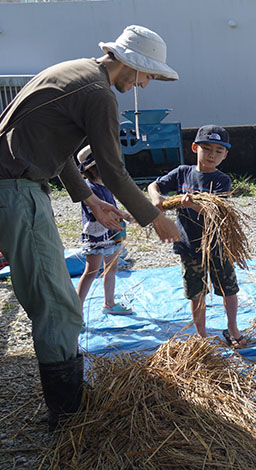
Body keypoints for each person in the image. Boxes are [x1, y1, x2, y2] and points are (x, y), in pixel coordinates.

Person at [0, 25, 181, 430]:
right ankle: (68, 418)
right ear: (129, 63)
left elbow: (57, 150)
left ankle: (66, 404)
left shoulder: (73, 72)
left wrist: (89, 199)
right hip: (17, 191)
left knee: (45, 296)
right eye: (147, 75)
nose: (145, 85)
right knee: (59, 305)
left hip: (12, 185)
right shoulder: (99, 94)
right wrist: (155, 218)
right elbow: (114, 170)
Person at [148, 125, 247, 349]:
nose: (212, 155)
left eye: (218, 151)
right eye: (206, 148)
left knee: (228, 288)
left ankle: (232, 328)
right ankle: (201, 336)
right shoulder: (183, 172)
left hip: (218, 245)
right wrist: (157, 198)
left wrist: (191, 204)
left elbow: (217, 213)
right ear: (195, 148)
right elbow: (154, 184)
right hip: (188, 246)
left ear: (225, 155)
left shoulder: (222, 180)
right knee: (196, 292)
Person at [75, 145, 132, 317]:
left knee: (111, 267)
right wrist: (124, 215)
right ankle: (76, 312)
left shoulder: (104, 185)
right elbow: (101, 211)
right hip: (96, 235)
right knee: (91, 271)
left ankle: (109, 303)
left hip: (111, 234)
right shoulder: (89, 189)